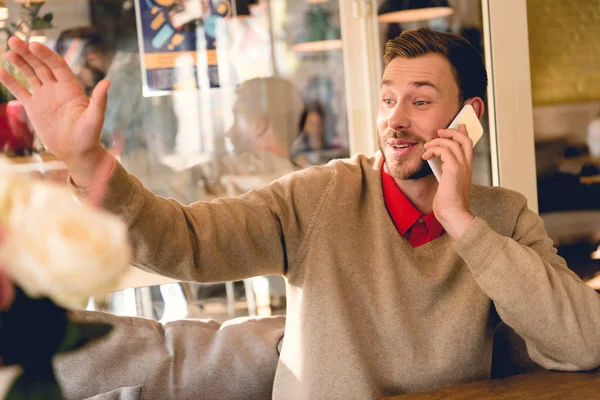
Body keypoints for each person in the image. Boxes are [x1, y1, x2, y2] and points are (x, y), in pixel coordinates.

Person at [1, 27, 600, 400]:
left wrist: (462, 222)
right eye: (389, 99)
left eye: (420, 102)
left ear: (469, 117)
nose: (395, 119)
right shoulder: (319, 197)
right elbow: (185, 242)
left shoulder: (504, 217)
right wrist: (88, 161)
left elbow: (583, 342)